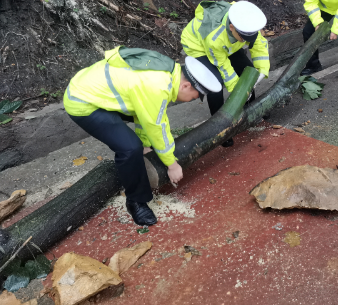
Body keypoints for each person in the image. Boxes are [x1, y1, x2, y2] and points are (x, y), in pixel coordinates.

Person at [63, 46, 221, 226]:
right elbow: (156, 125)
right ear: (186, 85)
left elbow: (145, 113)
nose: (192, 100)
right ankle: (136, 201)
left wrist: (147, 143)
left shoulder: (171, 72)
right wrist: (172, 164)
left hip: (94, 90)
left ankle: (142, 149)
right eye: (194, 97)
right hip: (83, 102)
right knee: (130, 148)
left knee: (146, 127)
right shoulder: (157, 85)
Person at [180, 0, 270, 147]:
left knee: (247, 69)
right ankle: (220, 128)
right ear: (232, 27)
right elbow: (222, 65)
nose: (247, 41)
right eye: (244, 38)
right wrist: (239, 90)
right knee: (215, 84)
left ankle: (251, 110)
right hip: (199, 46)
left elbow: (259, 45)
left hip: (228, 44)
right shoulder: (214, 37)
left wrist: (261, 71)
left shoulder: (246, 22)